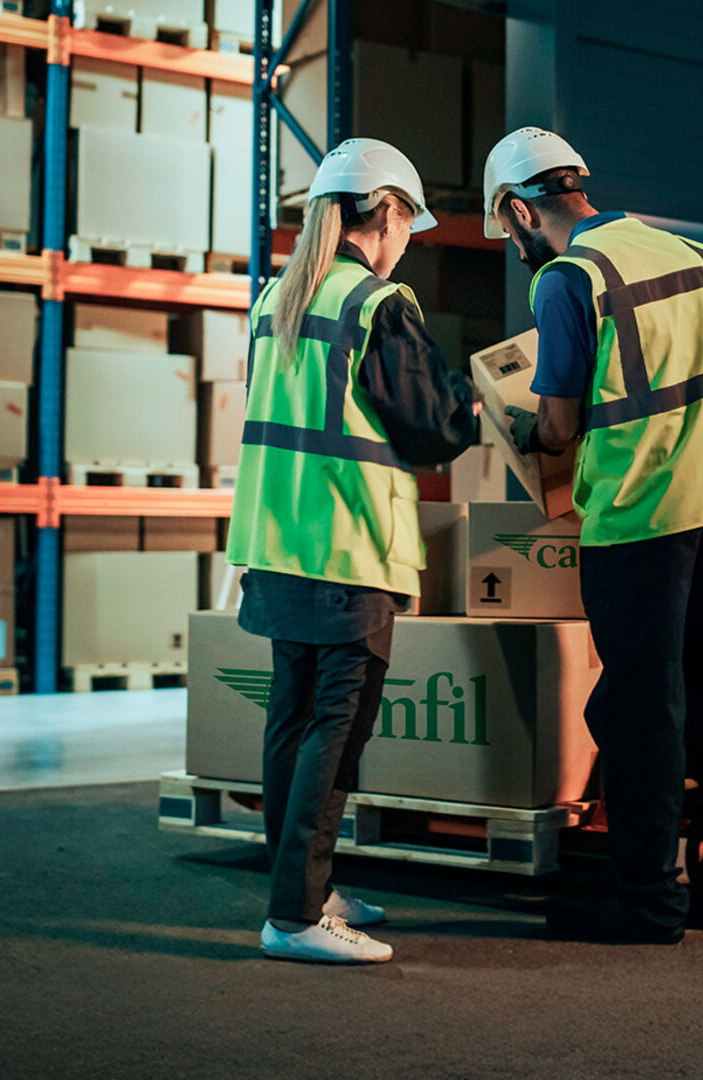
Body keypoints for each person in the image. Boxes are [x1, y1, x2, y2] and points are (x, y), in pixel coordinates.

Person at [481, 127, 703, 944]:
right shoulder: (685, 252)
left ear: (516, 211)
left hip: (643, 516)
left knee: (644, 710)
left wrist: (521, 432)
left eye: (505, 226)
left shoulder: (568, 281)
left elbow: (563, 421)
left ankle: (646, 902)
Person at [226, 138, 477, 964]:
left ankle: (301, 888)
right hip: (346, 554)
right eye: (410, 221)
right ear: (388, 212)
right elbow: (429, 428)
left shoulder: (279, 298)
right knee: (334, 732)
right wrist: (478, 406)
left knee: (292, 725)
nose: (410, 238)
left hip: (276, 545)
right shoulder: (376, 303)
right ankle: (295, 917)